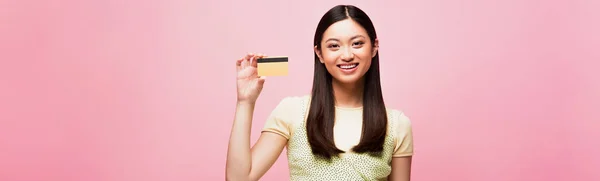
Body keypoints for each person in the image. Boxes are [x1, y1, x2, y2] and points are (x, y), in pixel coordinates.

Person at [226, 4, 414, 181]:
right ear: (319, 53)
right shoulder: (292, 111)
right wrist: (245, 101)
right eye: (334, 46)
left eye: (357, 43)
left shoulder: (397, 124)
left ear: (374, 47)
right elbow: (238, 179)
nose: (347, 55)